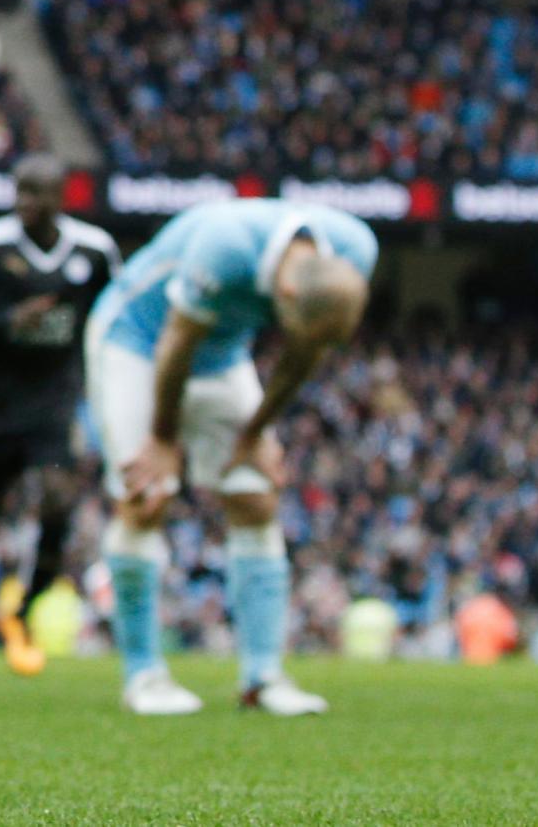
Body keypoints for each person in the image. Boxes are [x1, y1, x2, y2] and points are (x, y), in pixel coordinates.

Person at [86, 201, 377, 716]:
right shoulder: (227, 244)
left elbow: (305, 351)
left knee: (256, 495)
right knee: (145, 497)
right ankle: (144, 675)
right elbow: (176, 343)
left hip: (222, 355)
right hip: (137, 341)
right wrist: (161, 439)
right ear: (284, 293)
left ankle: (262, 677)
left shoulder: (354, 251)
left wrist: (254, 435)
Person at [0, 155, 120, 678]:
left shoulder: (94, 249)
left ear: (62, 196)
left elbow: (120, 314)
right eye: (19, 191)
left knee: (60, 501)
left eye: (36, 192)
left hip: (54, 402)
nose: (25, 202)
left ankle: (23, 609)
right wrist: (8, 319)